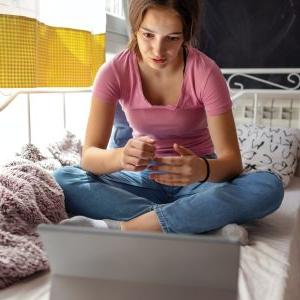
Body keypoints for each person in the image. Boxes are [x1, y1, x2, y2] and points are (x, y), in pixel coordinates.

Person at [54, 0, 284, 243]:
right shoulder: (113, 72)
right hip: (143, 178)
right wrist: (121, 156)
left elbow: (232, 163)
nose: (157, 50)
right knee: (64, 178)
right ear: (135, 27)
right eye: (148, 35)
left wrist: (201, 169)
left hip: (197, 182)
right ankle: (200, 222)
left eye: (172, 38)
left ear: (186, 34)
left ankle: (133, 226)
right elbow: (89, 157)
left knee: (268, 187)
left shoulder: (206, 73)